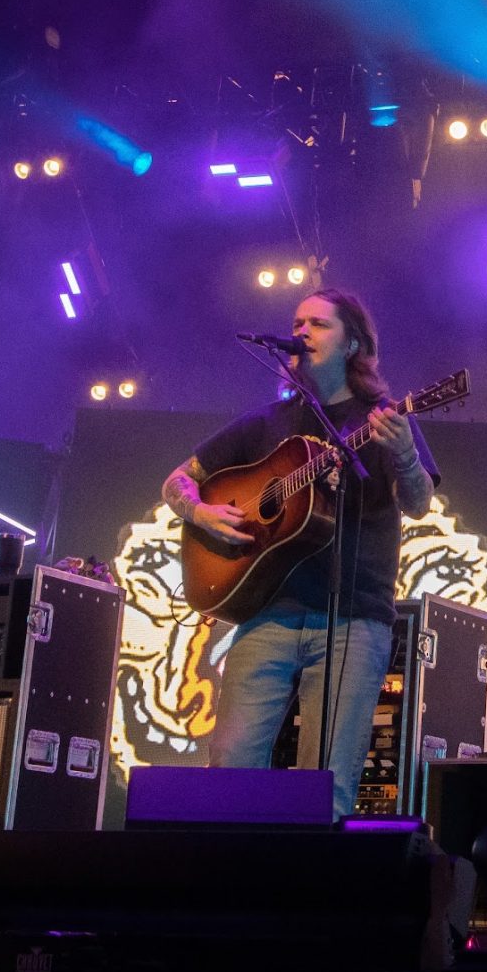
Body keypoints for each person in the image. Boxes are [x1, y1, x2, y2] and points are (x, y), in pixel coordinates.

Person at [163, 288, 435, 815]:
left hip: (353, 617)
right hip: (267, 614)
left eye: (318, 324)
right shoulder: (265, 423)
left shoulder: (383, 420)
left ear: (352, 343)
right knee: (230, 769)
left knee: (325, 788)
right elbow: (178, 479)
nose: (302, 332)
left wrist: (404, 454)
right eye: (297, 323)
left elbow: (420, 503)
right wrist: (200, 513)